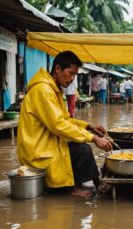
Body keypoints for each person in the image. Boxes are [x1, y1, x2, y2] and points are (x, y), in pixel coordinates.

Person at [17, 51, 113, 199]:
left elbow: (65, 119)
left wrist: (88, 127)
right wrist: (93, 138)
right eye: (71, 73)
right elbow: (58, 125)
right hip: (39, 151)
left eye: (75, 75)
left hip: (49, 144)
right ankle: (67, 189)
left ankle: (93, 183)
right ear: (57, 69)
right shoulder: (42, 90)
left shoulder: (54, 90)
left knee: (82, 149)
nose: (72, 79)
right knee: (83, 149)